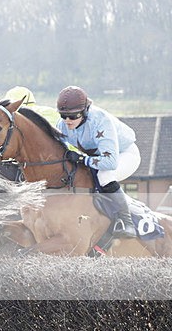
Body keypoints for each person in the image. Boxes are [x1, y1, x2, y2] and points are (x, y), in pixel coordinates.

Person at [55, 85, 140, 238]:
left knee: (104, 176)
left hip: (124, 154)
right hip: (97, 157)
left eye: (73, 116)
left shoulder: (100, 121)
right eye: (63, 115)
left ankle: (127, 222)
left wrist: (82, 159)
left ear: (85, 111)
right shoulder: (62, 125)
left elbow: (110, 162)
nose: (67, 121)